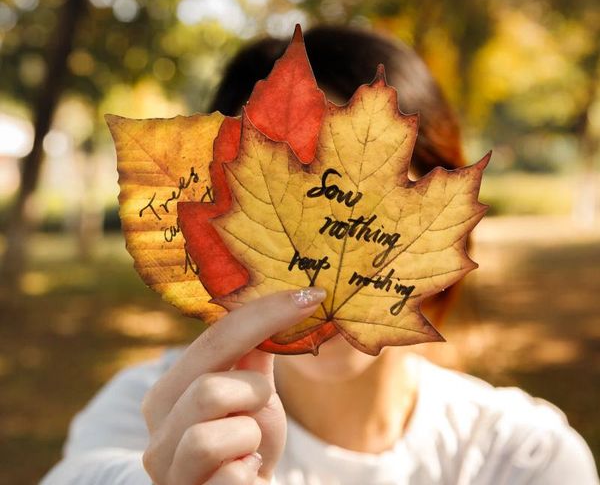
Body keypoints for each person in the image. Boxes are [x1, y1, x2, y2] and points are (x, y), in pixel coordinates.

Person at [41, 25, 598, 485]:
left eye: (351, 213)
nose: (322, 260)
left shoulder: (525, 458)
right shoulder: (150, 419)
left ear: (445, 230)